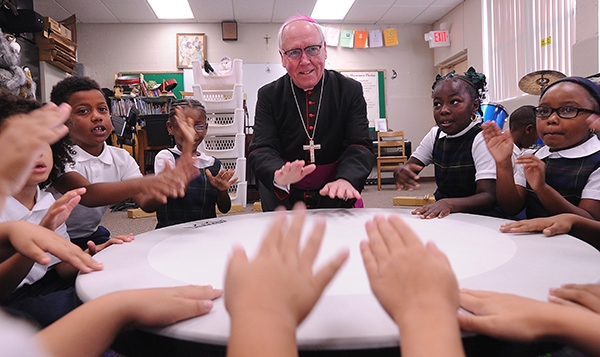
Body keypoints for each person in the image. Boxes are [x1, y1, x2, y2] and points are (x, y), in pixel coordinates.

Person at [0, 92, 133, 326]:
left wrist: (91, 254)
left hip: (48, 286)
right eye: (22, 144)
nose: (37, 151)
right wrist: (36, 242)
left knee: (118, 286)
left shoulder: (48, 201)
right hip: (13, 300)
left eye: (44, 142)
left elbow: (58, 268)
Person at [48, 76, 196, 248]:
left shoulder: (121, 157)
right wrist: (146, 182)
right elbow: (87, 194)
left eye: (102, 109)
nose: (97, 117)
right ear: (63, 120)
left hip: (91, 235)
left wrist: (163, 189)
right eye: (83, 111)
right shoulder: (58, 155)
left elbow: (146, 203)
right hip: (51, 236)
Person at [248, 15, 375, 211]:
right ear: (282, 57)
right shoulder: (269, 95)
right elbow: (261, 148)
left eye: (312, 49)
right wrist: (278, 174)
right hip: (284, 196)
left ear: (324, 49)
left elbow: (359, 144)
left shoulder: (349, 90)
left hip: (335, 190)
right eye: (294, 53)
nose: (305, 60)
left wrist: (346, 178)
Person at [483, 76, 600, 220]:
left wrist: (542, 189)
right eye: (544, 111)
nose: (551, 119)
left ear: (594, 118)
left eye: (568, 110)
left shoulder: (596, 161)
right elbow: (511, 208)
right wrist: (503, 163)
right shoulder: (534, 155)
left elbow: (588, 222)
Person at [394, 68, 497, 219]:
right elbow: (410, 167)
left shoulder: (481, 138)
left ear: (474, 106)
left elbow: (487, 196)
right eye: (437, 104)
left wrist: (448, 204)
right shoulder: (435, 135)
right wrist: (401, 172)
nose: (444, 110)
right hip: (447, 215)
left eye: (454, 102)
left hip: (481, 218)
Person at [153, 99, 237, 228]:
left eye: (199, 126)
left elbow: (224, 208)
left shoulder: (213, 164)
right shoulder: (166, 157)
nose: (191, 133)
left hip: (204, 235)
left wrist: (222, 191)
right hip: (171, 234)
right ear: (170, 127)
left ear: (206, 128)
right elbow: (171, 191)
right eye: (184, 127)